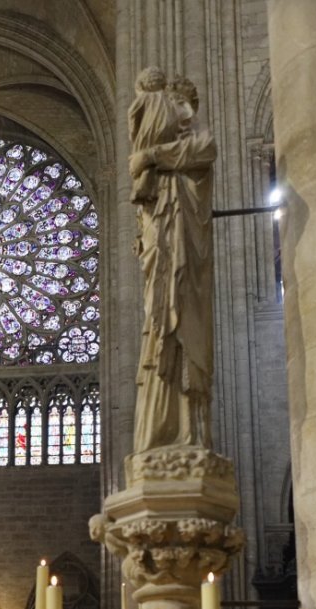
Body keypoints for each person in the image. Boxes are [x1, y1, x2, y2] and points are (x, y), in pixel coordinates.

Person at [128, 69, 216, 452]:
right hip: (161, 254)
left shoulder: (195, 148)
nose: (185, 115)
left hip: (187, 256)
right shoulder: (160, 172)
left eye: (188, 107)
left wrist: (149, 155)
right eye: (178, 105)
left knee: (185, 330)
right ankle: (161, 433)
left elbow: (204, 148)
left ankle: (190, 433)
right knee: (159, 329)